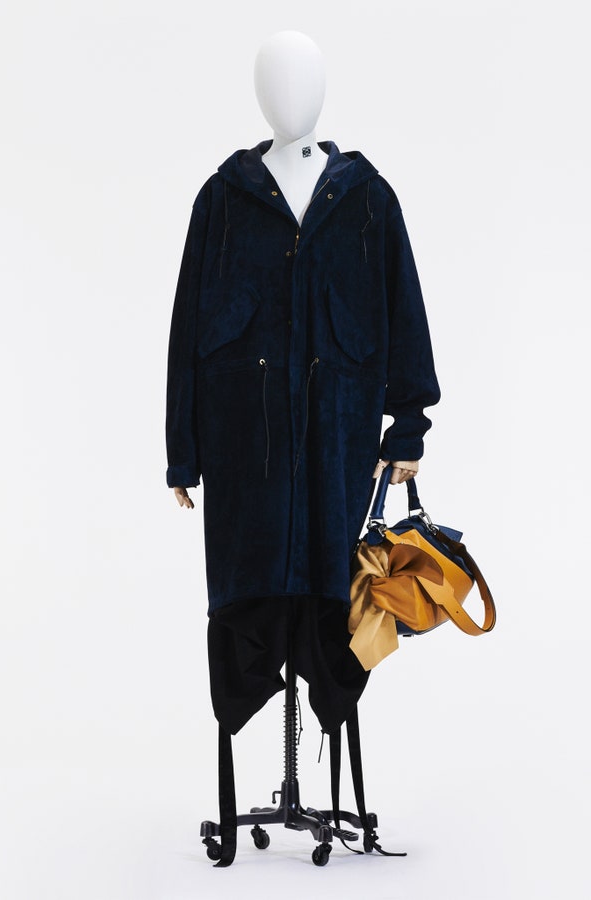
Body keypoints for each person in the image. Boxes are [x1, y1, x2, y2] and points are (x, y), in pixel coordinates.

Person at [165, 28, 440, 736]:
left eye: (303, 80)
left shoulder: (368, 200)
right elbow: (187, 331)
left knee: (335, 598)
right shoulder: (222, 201)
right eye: (276, 81)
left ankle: (330, 738)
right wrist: (183, 452)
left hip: (339, 451)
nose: (291, 97)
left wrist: (407, 426)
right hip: (243, 457)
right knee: (247, 599)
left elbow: (405, 314)